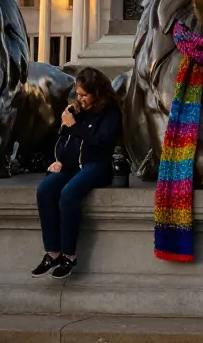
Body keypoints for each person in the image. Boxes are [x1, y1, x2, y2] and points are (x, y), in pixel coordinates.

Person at [33, 67, 123, 280]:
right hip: (72, 165)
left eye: (84, 95)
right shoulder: (78, 111)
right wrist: (58, 160)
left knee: (68, 194)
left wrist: (76, 127)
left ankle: (69, 255)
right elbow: (65, 142)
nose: (80, 99)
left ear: (96, 93)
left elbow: (100, 142)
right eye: (78, 94)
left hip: (97, 166)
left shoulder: (110, 112)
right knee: (45, 190)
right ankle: (52, 251)